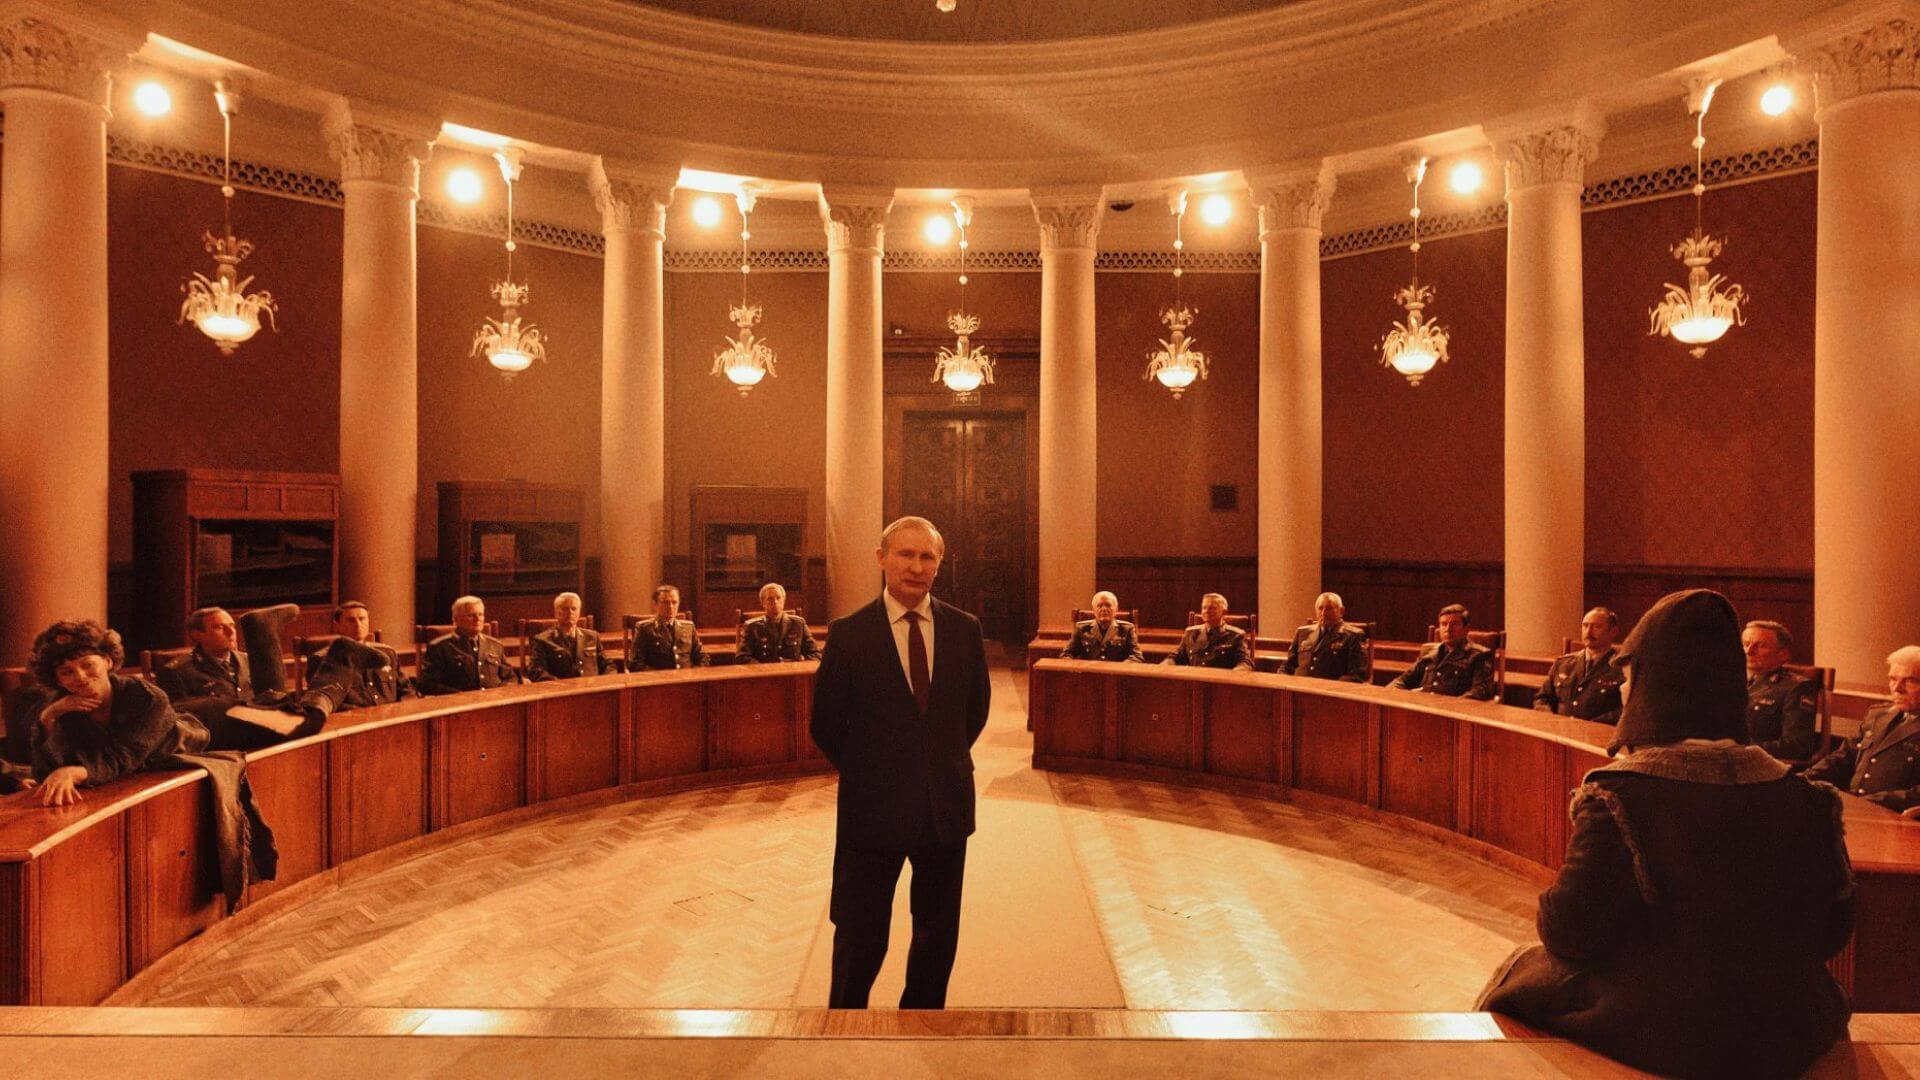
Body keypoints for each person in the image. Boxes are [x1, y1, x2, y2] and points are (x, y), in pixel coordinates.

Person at [1477, 589, 1853, 1079]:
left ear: (1655, 687)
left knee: (1521, 974)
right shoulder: (1811, 799)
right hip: (1790, 1028)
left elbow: (1567, 934)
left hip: (1672, 1036)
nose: (1622, 689)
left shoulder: (1620, 797)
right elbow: (1833, 932)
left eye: (1630, 676)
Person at [810, 515, 990, 1010]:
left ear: (939, 565)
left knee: (937, 934)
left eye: (927, 556)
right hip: (872, 811)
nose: (916, 566)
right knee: (860, 935)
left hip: (944, 808)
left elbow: (973, 713)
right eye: (905, 554)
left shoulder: (964, 630)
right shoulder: (849, 634)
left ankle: (922, 1027)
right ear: (882, 559)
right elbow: (825, 723)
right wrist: (874, 770)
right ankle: (845, 1028)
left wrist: (935, 763)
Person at [23, 620, 279, 910]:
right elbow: (44, 774)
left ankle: (268, 634)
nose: (80, 677)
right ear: (57, 680)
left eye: (87, 665)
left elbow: (124, 756)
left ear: (107, 661)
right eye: (67, 672)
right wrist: (48, 719)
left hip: (215, 725)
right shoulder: (61, 707)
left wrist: (75, 771)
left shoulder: (146, 697)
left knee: (294, 717)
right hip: (166, 738)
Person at [1804, 645, 1920, 810]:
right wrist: (1805, 779)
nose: (1897, 689)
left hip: (1893, 815)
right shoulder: (1878, 715)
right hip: (1855, 807)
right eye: (1893, 679)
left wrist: (1868, 802)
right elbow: (1845, 756)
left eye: (1910, 681)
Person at [301, 601, 412, 708]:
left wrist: (406, 709)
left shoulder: (387, 653)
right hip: (355, 717)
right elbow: (324, 700)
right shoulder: (322, 659)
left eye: (362, 619)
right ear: (337, 625)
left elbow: (406, 690)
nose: (358, 624)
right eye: (351, 620)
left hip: (392, 715)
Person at [1742, 619, 1820, 761]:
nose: (1749, 651)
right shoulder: (1730, 682)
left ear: (1783, 654)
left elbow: (1798, 746)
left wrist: (1742, 750)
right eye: (1746, 644)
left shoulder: (1796, 688)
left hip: (1757, 764)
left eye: (1761, 646)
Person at [1533, 607, 1625, 724]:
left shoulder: (1622, 668)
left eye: (1597, 627)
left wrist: (1590, 726)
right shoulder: (1563, 664)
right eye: (1585, 626)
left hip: (1598, 732)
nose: (1589, 632)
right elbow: (1542, 699)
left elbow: (1626, 709)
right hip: (1559, 730)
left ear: (1613, 632)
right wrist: (1550, 720)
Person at [1392, 604, 1495, 700]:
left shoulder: (1479, 655)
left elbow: (1480, 691)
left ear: (1466, 629)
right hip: (1423, 706)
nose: (1448, 629)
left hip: (1453, 711)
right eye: (1444, 624)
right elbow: (1402, 680)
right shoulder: (1429, 652)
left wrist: (1447, 705)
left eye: (1454, 624)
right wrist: (1390, 694)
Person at [418, 596, 518, 694]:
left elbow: (510, 677)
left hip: (495, 700)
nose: (477, 619)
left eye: (480, 614)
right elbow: (427, 684)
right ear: (456, 619)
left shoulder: (495, 645)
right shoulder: (440, 647)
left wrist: (501, 692)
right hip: (459, 702)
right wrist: (460, 696)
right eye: (471, 615)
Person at [155, 607, 255, 705]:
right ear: (197, 635)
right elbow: (178, 712)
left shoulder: (250, 661)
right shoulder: (177, 672)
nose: (231, 632)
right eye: (220, 627)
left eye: (232, 625)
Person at [1281, 591, 1370, 681]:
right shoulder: (1302, 633)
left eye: (1329, 608)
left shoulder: (1353, 636)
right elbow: (1287, 666)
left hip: (1330, 688)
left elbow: (1357, 675)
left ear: (1341, 611)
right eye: (1320, 608)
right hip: (1298, 686)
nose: (1323, 613)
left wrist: (1330, 687)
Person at [528, 592, 616, 680]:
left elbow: (607, 665)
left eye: (574, 609)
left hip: (593, 685)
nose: (570, 612)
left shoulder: (592, 636)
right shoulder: (542, 640)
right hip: (561, 687)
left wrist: (606, 680)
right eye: (565, 609)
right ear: (556, 613)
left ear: (579, 612)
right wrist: (558, 684)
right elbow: (536, 670)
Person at [1162, 593, 1253, 670]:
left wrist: (1235, 674)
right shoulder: (1190, 632)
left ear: (1224, 612)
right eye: (1204, 608)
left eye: (1212, 608)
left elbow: (1245, 662)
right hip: (1193, 680)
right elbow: (1177, 657)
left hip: (1219, 682)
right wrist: (1163, 667)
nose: (1206, 611)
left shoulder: (1236, 635)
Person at [629, 585, 708, 670]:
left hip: (687, 675)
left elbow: (702, 656)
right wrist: (659, 675)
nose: (670, 607)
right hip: (659, 677)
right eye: (665, 602)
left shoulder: (689, 627)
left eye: (674, 602)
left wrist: (696, 672)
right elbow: (635, 663)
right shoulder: (645, 628)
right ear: (655, 604)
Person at [738, 582, 820, 663]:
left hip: (792, 670)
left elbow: (815, 654)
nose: (775, 601)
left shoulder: (798, 624)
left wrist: (800, 664)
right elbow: (742, 657)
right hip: (764, 670)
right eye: (770, 599)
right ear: (762, 603)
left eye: (778, 598)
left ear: (784, 601)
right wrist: (763, 668)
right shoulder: (752, 627)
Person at [1058, 591, 1143, 662]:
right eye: (1099, 606)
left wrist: (1120, 668)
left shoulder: (1127, 629)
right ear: (1093, 610)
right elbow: (1066, 654)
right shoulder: (1081, 628)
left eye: (1108, 605)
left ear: (1116, 609)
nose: (1104, 609)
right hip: (1088, 673)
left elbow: (1137, 656)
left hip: (1116, 675)